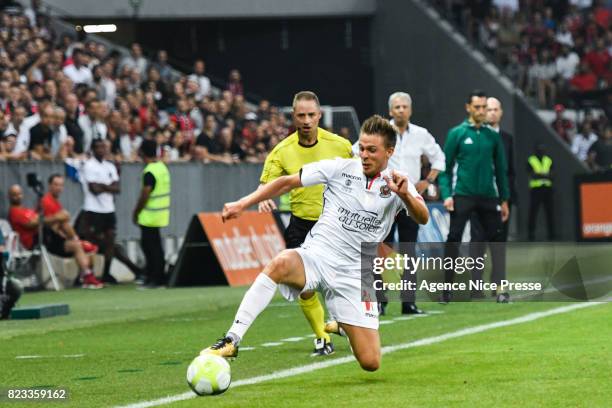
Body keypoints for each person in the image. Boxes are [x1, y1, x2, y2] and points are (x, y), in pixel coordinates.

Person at [201, 115, 429, 371]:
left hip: (356, 275)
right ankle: (232, 339)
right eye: (362, 148)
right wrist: (243, 203)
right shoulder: (340, 168)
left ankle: (343, 321)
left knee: (371, 362)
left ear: (389, 151)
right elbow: (286, 182)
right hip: (318, 257)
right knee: (280, 263)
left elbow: (423, 216)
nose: (364, 155)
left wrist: (406, 196)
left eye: (372, 150)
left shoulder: (398, 182)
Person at [258, 91, 353, 356]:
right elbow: (265, 184)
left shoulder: (341, 145)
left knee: (338, 283)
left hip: (335, 226)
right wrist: (262, 199)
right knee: (305, 285)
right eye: (301, 115)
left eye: (312, 115)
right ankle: (322, 337)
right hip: (301, 225)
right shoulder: (282, 151)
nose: (307, 120)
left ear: (319, 115)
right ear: (293, 117)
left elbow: (359, 178)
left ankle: (345, 322)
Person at [352, 92, 445, 315]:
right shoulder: (380, 132)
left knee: (408, 250)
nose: (401, 110)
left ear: (410, 110)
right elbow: (356, 153)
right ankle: (379, 301)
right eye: (397, 107)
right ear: (390, 110)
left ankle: (408, 302)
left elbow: (439, 158)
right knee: (380, 249)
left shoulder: (421, 134)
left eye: (404, 106)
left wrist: (427, 181)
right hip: (382, 198)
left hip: (408, 197)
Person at [439, 90, 510, 304]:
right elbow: (445, 167)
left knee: (497, 241)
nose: (481, 111)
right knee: (453, 239)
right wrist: (446, 195)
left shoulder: (492, 136)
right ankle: (446, 289)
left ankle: (500, 289)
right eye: (477, 107)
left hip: (489, 196)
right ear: (468, 108)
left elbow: (500, 169)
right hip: (463, 194)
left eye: (484, 107)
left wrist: (504, 199)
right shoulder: (457, 134)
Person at [8, 183, 103, 289]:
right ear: (9, 196)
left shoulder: (25, 210)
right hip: (36, 241)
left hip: (46, 237)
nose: (18, 196)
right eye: (14, 195)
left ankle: (87, 275)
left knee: (73, 240)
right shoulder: (14, 212)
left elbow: (39, 219)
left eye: (19, 194)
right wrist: (57, 217)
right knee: (62, 220)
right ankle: (79, 244)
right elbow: (33, 223)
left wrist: (56, 218)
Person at [469, 97, 516, 298]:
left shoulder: (507, 139)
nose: (492, 113)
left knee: (499, 245)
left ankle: (499, 286)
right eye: (489, 109)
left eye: (496, 109)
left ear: (501, 112)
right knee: (477, 242)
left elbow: (510, 172)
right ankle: (475, 287)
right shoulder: (476, 136)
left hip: (500, 200)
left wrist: (506, 198)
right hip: (478, 198)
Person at [76, 139, 120, 284]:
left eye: (104, 146)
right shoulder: (89, 166)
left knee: (110, 239)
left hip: (109, 209)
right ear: (93, 149)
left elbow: (117, 188)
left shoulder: (110, 166)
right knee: (90, 242)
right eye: (99, 147)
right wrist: (108, 186)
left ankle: (107, 272)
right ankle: (89, 273)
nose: (102, 150)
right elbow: (93, 189)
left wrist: (103, 186)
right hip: (93, 209)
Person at [132, 139, 171, 288]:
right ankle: (159, 277)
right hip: (160, 214)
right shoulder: (162, 167)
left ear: (142, 152)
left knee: (150, 247)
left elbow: (145, 193)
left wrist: (136, 211)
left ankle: (154, 279)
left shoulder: (149, 171)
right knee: (156, 247)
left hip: (149, 215)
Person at [527, 144, 554, 241]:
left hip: (547, 189)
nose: (541, 151)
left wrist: (540, 174)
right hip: (536, 189)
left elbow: (552, 174)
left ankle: (552, 235)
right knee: (533, 212)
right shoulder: (531, 160)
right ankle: (531, 234)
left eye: (542, 150)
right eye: (539, 150)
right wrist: (544, 175)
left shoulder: (548, 160)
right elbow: (532, 174)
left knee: (550, 212)